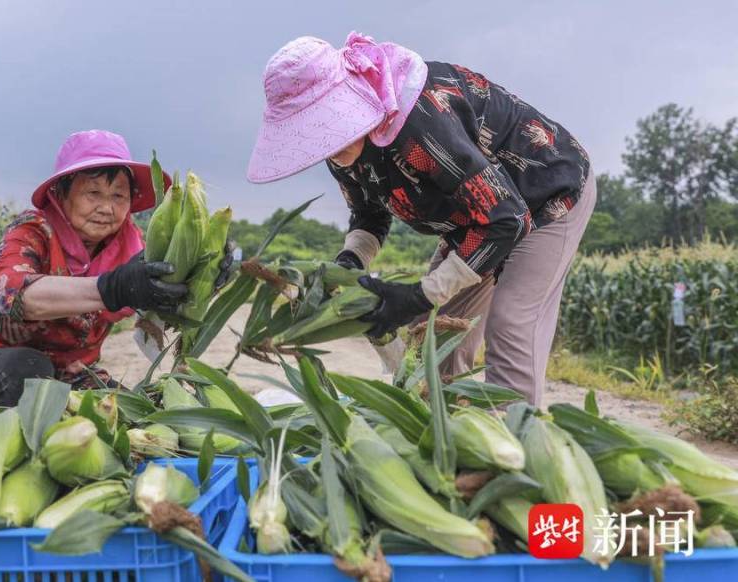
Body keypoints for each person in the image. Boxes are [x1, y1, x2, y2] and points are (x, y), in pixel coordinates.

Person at [247, 33, 596, 406]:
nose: (327, 144)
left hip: (544, 196)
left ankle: (520, 444)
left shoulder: (420, 125)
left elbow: (506, 218)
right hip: (475, 219)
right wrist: (349, 262)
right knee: (433, 337)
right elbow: (369, 214)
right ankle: (447, 436)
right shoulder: (342, 149)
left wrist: (419, 294)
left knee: (511, 324)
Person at [0, 130, 192, 407]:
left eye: (119, 196)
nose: (107, 208)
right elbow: (15, 296)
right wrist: (112, 287)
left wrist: (202, 266)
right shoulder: (32, 231)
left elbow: (165, 288)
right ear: (61, 194)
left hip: (71, 375)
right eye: (93, 193)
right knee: (30, 372)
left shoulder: (129, 246)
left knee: (140, 411)